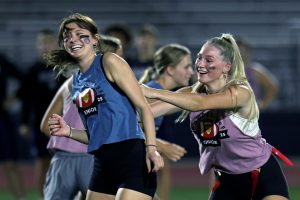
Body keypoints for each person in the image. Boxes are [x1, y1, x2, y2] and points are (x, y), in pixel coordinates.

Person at [140, 33, 290, 200]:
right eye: (199, 58)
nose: (200, 64)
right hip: (226, 181)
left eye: (209, 60)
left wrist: (153, 92)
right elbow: (147, 112)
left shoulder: (241, 92)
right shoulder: (190, 94)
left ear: (226, 66)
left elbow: (200, 103)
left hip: (262, 174)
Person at [46, 13, 164, 200]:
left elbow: (143, 108)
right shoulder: (76, 82)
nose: (72, 39)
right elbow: (95, 135)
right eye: (67, 36)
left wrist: (151, 149)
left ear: (95, 39)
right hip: (102, 164)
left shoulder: (109, 61)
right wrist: (68, 131)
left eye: (79, 34)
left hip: (131, 157)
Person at [40, 35, 124, 200]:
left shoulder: (70, 82)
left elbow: (45, 125)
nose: (122, 61)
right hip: (93, 160)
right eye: (119, 57)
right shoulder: (110, 84)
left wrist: (68, 141)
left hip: (61, 160)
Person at [139, 43, 193, 200]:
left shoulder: (158, 92)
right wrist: (161, 145)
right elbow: (125, 131)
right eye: (186, 67)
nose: (191, 72)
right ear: (170, 69)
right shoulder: (151, 94)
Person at [0, 54, 27, 200]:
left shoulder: (2, 60)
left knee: (10, 165)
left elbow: (25, 80)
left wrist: (13, 97)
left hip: (2, 120)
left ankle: (21, 198)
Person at [236, 37, 279, 110]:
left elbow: (273, 87)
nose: (241, 54)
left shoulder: (255, 70)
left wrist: (263, 104)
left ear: (248, 52)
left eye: (243, 51)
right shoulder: (224, 71)